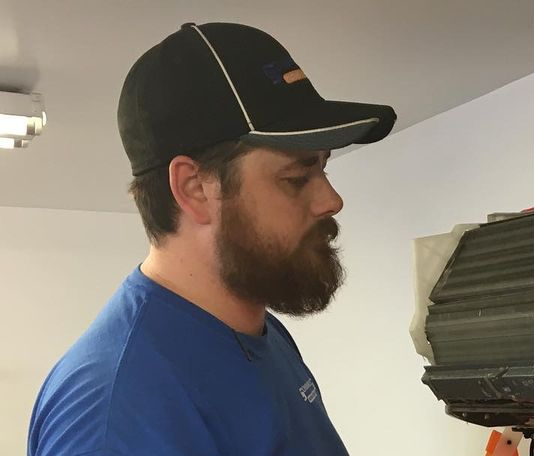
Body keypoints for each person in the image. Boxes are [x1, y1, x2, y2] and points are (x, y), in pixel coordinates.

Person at [27, 22, 395, 455]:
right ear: (194, 188)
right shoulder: (117, 411)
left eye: (323, 168)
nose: (331, 200)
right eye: (297, 178)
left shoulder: (262, 333)